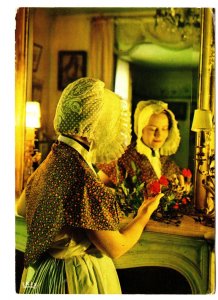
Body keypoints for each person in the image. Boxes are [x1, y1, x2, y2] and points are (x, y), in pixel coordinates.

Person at [16, 78, 163, 294]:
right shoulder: (81, 175)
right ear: (95, 124)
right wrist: (144, 213)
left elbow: (21, 208)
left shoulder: (54, 157)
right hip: (74, 277)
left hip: (44, 272)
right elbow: (116, 248)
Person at [97, 100, 183, 196]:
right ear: (141, 128)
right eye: (152, 128)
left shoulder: (168, 163)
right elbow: (99, 191)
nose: (159, 135)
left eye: (164, 128)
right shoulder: (122, 157)